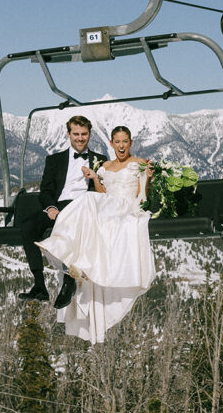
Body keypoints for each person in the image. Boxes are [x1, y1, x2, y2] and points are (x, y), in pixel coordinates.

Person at [35, 126, 156, 344]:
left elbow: (141, 195)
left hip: (125, 205)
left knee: (86, 199)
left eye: (125, 142)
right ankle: (68, 253)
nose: (121, 146)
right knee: (88, 199)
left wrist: (147, 178)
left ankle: (63, 248)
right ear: (111, 143)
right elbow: (102, 193)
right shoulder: (106, 165)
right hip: (108, 202)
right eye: (117, 142)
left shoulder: (139, 163)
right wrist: (95, 177)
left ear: (131, 143)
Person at [18, 115, 108, 306]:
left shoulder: (100, 160)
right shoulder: (54, 160)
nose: (80, 138)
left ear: (89, 135)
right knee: (28, 227)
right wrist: (50, 208)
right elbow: (46, 191)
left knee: (72, 229)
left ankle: (69, 280)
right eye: (76, 134)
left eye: (84, 134)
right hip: (59, 207)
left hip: (84, 206)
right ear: (68, 134)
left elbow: (102, 190)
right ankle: (39, 285)